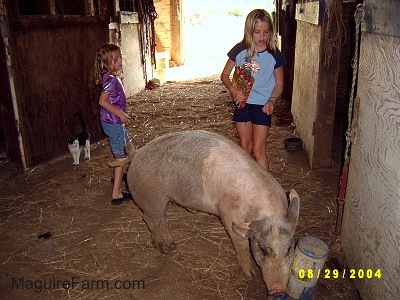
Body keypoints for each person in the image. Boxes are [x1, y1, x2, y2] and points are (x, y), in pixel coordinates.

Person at [220, 9, 286, 171]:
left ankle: (266, 192)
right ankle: (243, 189)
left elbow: (279, 84)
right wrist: (233, 90)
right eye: (257, 32)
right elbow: (225, 75)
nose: (262, 37)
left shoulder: (274, 55)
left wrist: (272, 101)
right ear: (249, 31)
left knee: (258, 150)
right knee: (244, 148)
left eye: (266, 32)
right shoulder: (239, 50)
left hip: (262, 106)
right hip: (243, 103)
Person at [94, 43, 131, 205]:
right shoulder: (110, 79)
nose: (119, 61)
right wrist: (121, 114)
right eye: (114, 60)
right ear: (106, 64)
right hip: (113, 122)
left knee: (128, 146)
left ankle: (123, 173)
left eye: (119, 57)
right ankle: (116, 193)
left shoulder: (113, 77)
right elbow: (102, 101)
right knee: (121, 157)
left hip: (116, 122)